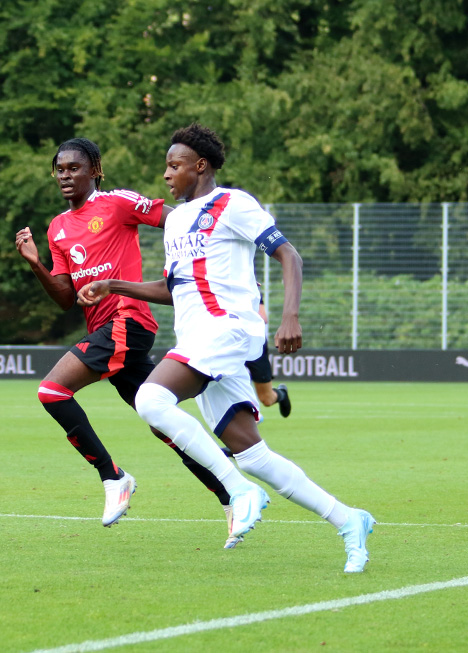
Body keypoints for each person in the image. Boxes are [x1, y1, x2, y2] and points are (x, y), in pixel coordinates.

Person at [78, 123, 375, 572]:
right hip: (199, 340)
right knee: (252, 453)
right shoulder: (176, 221)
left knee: (150, 398)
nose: (166, 174)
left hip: (230, 329)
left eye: (174, 165)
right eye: (165, 166)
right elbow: (174, 285)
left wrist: (289, 315)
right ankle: (349, 519)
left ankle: (237, 491)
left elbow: (288, 255)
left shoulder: (232, 203)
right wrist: (113, 285)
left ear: (200, 166)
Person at [15, 137, 233, 529]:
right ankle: (230, 495)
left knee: (51, 390)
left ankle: (113, 477)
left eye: (74, 168)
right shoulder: (58, 228)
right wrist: (36, 266)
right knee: (163, 423)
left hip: (128, 322)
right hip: (104, 329)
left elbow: (175, 218)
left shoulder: (116, 203)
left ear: (94, 170)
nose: (65, 176)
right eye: (60, 170)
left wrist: (201, 259)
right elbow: (66, 299)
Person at [245, 298, 291, 417]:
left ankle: (282, 394)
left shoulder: (250, 285)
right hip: (228, 343)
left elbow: (263, 317)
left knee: (267, 398)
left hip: (253, 343)